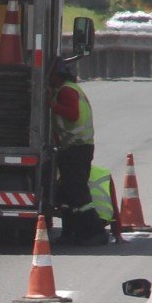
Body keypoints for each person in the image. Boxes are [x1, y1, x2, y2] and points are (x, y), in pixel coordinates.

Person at [51, 60, 118, 244]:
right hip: (75, 147)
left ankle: (96, 232)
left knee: (78, 193)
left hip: (76, 148)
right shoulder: (70, 89)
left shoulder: (66, 90)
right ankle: (70, 232)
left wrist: (51, 105)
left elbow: (72, 114)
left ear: (57, 75)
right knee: (66, 193)